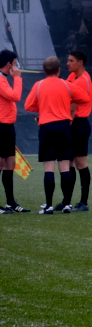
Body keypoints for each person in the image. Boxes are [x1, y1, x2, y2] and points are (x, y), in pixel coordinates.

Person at [25, 56, 91, 213]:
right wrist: (64, 102)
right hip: (64, 126)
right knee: (64, 166)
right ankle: (67, 204)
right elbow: (85, 98)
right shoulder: (66, 85)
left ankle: (48, 206)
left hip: (47, 126)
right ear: (59, 70)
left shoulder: (39, 85)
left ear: (44, 71)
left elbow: (28, 105)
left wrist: (44, 107)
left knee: (49, 167)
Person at [0, 50, 28, 213]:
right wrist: (17, 78)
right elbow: (15, 96)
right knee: (1, 164)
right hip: (1, 126)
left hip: (7, 126)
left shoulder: (4, 79)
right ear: (9, 64)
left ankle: (11, 202)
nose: (16, 67)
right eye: (15, 63)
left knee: (10, 164)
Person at [66, 50, 92, 211]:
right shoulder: (73, 77)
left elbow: (72, 107)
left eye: (71, 61)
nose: (68, 63)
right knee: (69, 162)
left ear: (80, 63)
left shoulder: (82, 81)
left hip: (78, 124)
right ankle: (67, 201)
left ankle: (84, 202)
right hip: (73, 124)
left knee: (80, 163)